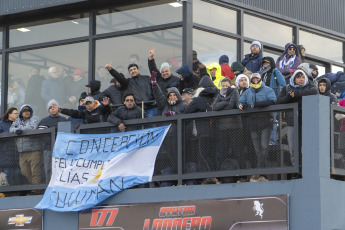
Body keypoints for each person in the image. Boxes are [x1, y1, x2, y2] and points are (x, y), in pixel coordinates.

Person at [277, 70, 318, 165]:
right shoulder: (287, 88)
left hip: (306, 122)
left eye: (303, 77)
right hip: (292, 122)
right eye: (299, 77)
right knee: (293, 148)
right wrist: (289, 97)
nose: (301, 79)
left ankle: (306, 169)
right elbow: (279, 100)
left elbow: (314, 91)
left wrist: (296, 94)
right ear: (294, 79)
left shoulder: (310, 87)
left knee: (306, 147)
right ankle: (297, 170)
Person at [237, 73, 276, 168]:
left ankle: (260, 169)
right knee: (257, 149)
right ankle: (261, 169)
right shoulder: (248, 91)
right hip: (253, 123)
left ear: (260, 79)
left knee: (264, 146)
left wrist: (256, 104)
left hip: (265, 121)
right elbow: (240, 101)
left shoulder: (268, 90)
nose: (255, 80)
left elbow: (273, 100)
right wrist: (239, 105)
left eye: (257, 79)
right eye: (253, 79)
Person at [213, 78, 244, 169]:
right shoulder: (219, 94)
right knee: (222, 153)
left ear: (230, 85)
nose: (225, 87)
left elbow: (231, 105)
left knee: (238, 152)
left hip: (235, 128)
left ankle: (243, 175)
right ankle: (223, 174)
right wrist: (227, 101)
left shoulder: (234, 92)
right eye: (223, 86)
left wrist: (222, 104)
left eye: (226, 86)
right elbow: (214, 107)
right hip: (222, 129)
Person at [10, 105, 42, 192]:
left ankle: (35, 191)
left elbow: (32, 128)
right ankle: (29, 190)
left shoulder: (34, 118)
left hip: (34, 150)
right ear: (21, 113)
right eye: (24, 111)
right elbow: (11, 128)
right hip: (22, 151)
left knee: (35, 172)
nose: (27, 112)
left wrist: (19, 129)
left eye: (28, 110)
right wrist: (16, 130)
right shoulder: (18, 120)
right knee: (25, 173)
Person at [38, 100, 67, 183]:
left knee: (62, 169)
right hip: (48, 149)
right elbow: (42, 136)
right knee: (48, 169)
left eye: (54, 107)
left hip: (62, 150)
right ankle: (49, 187)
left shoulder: (64, 120)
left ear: (58, 108)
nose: (52, 109)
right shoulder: (44, 121)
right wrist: (52, 142)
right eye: (50, 107)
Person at [260, 56, 286, 145]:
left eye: (267, 63)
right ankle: (263, 141)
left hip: (273, 100)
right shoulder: (260, 73)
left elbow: (283, 85)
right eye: (264, 63)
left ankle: (271, 141)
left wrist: (277, 97)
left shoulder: (275, 72)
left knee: (273, 120)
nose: (265, 65)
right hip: (262, 101)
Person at [0, 108, 21, 185]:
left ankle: (18, 191)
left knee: (18, 173)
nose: (17, 115)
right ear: (9, 114)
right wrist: (11, 132)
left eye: (17, 113)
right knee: (7, 173)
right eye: (15, 113)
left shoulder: (19, 123)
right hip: (5, 154)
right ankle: (8, 192)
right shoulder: (2, 123)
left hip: (16, 154)